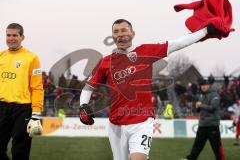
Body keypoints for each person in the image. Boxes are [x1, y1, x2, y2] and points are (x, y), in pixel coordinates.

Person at [79, 19, 217, 160]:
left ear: (133, 33)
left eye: (124, 30)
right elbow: (88, 87)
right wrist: (83, 106)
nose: (120, 34)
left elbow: (178, 43)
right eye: (116, 31)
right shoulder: (105, 62)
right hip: (116, 125)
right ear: (112, 36)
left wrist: (205, 31)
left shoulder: (146, 51)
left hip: (142, 122)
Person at [0, 23, 44, 160]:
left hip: (23, 109)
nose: (11, 38)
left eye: (15, 35)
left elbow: (37, 87)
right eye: (8, 35)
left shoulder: (32, 58)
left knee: (20, 151)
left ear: (22, 37)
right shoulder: (1, 56)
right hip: (2, 107)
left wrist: (36, 114)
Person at [182, 78, 225, 160]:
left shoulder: (215, 95)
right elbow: (200, 109)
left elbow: (213, 107)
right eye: (202, 85)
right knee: (197, 144)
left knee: (216, 146)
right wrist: (197, 107)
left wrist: (201, 105)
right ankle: (191, 158)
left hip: (212, 125)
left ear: (209, 86)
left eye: (205, 85)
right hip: (202, 124)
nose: (203, 87)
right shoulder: (201, 95)